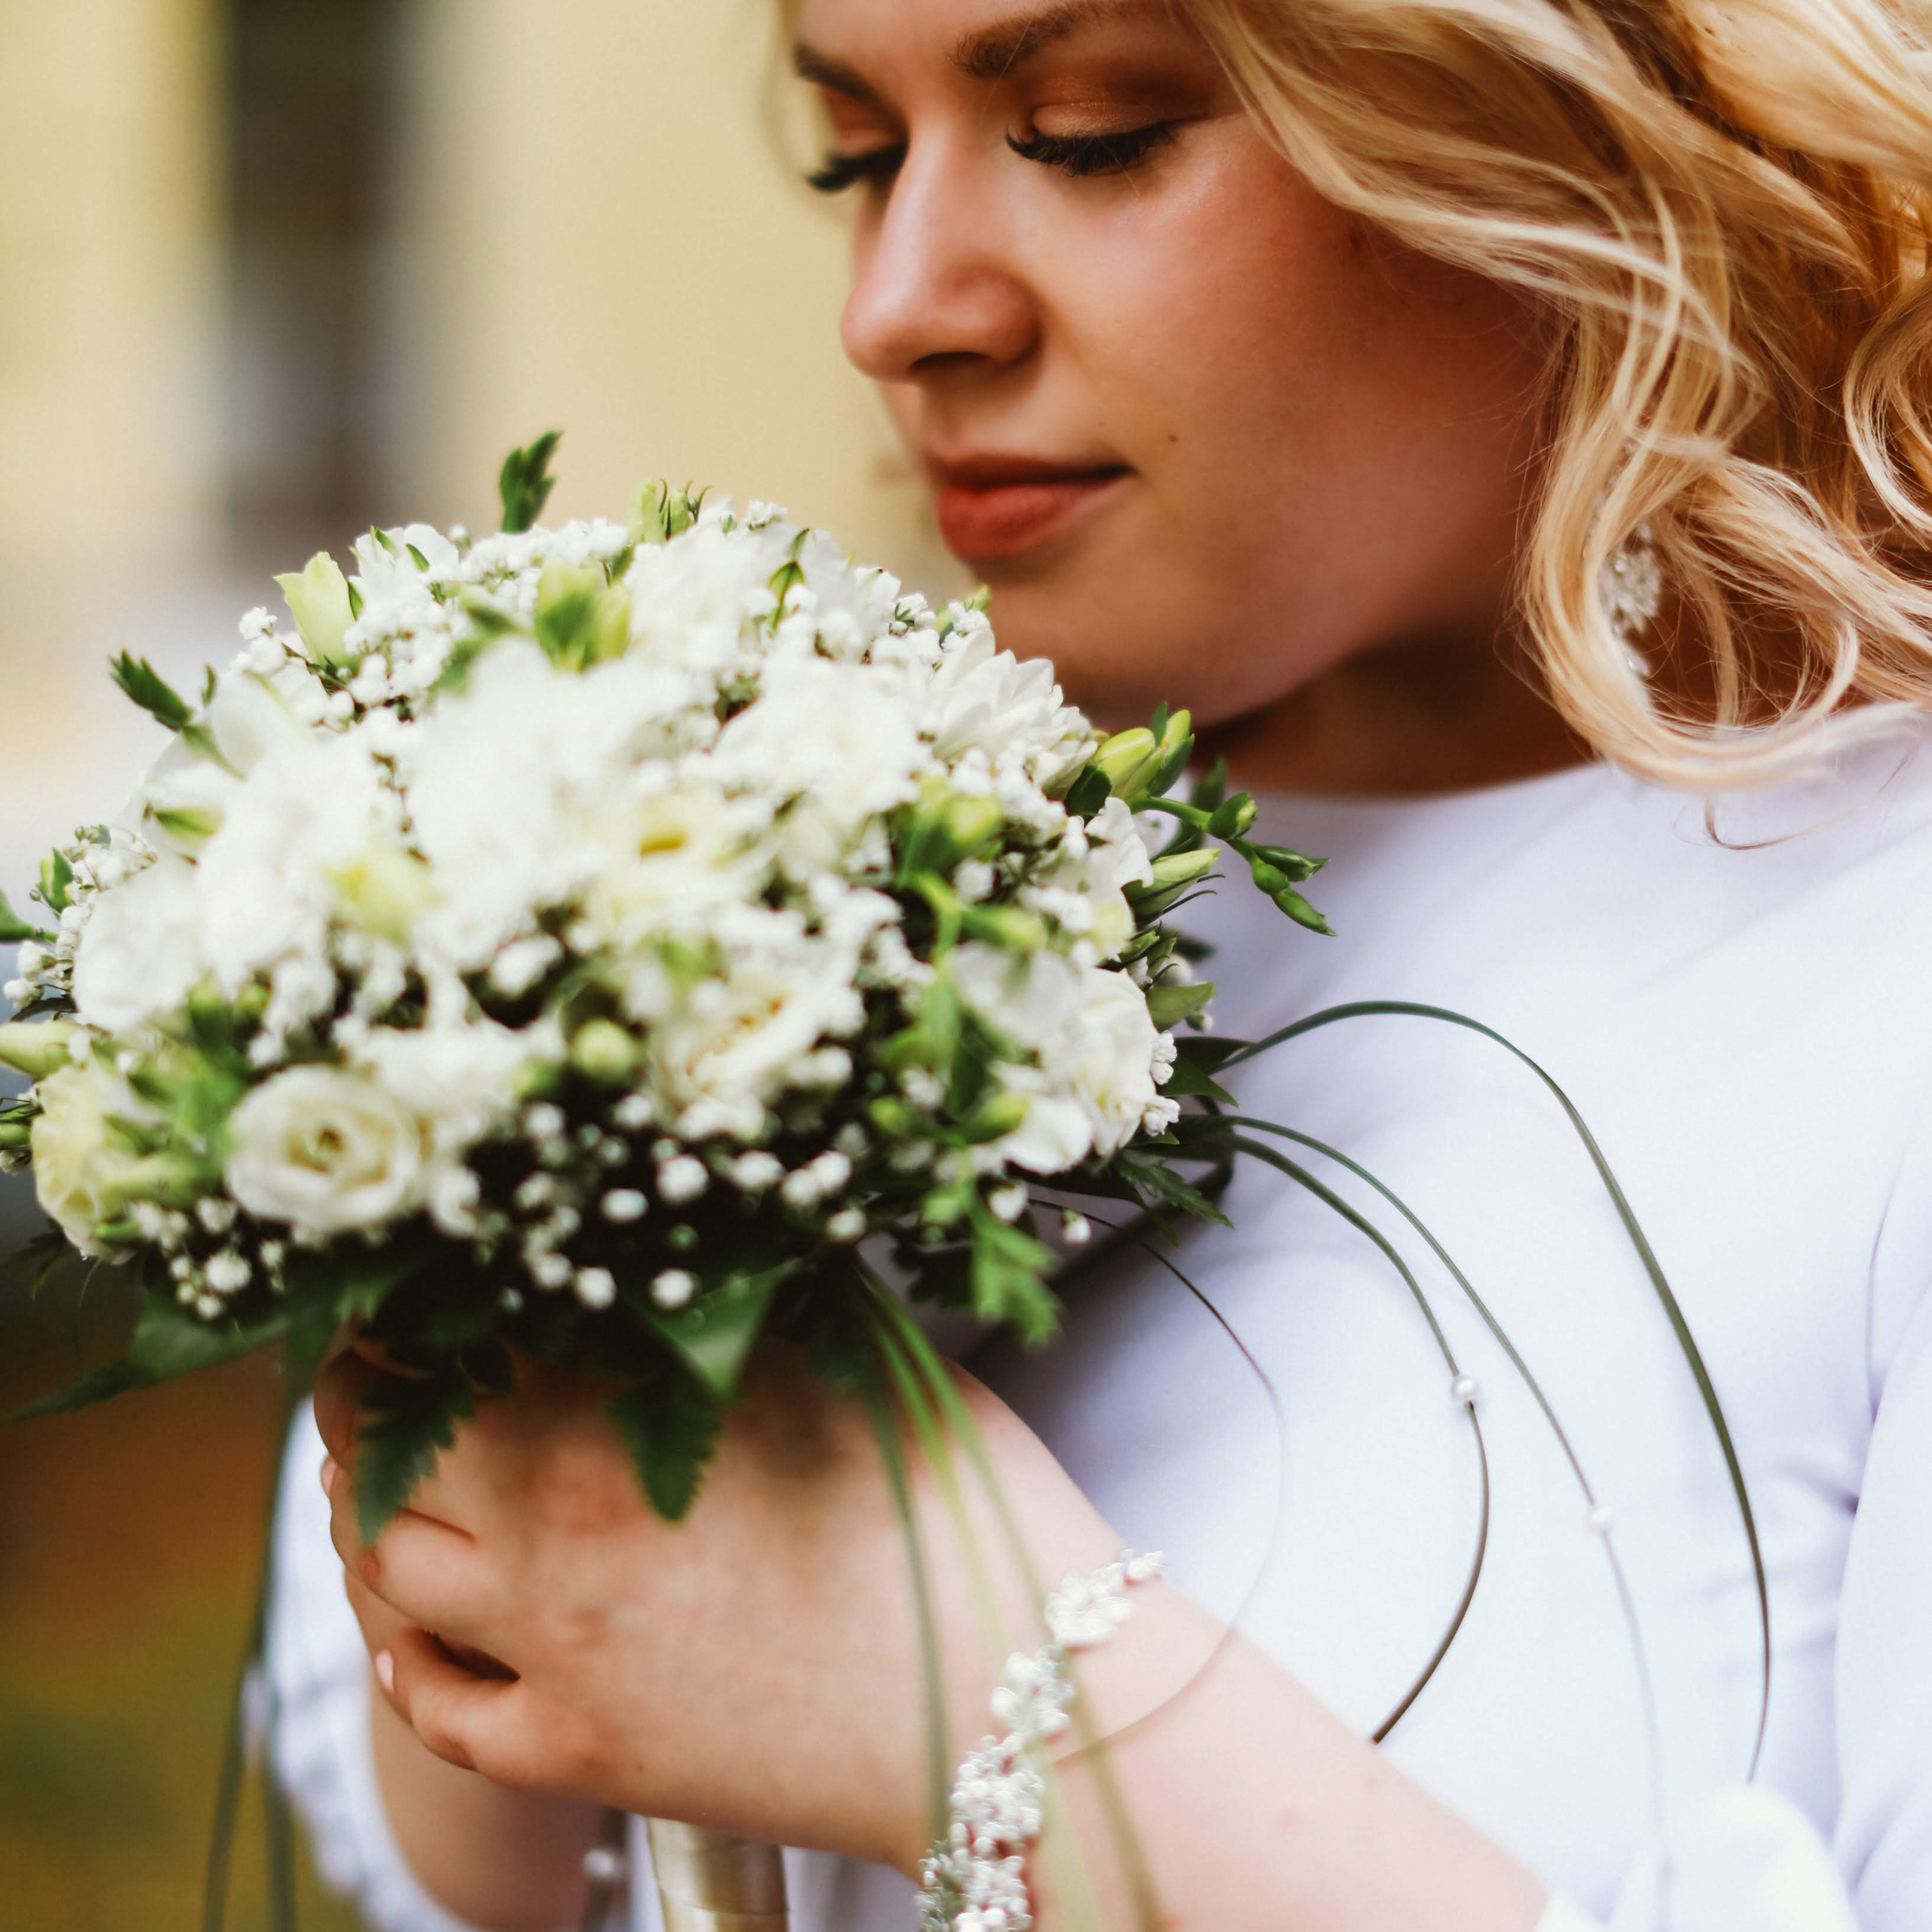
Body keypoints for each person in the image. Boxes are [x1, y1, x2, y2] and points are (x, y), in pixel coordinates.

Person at [266, 2, 1932, 1927]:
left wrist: (984, 1698)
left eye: (1086, 131)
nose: (895, 309)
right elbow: (469, 1863)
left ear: (1592, 118)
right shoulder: (814, 886)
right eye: (853, 155)